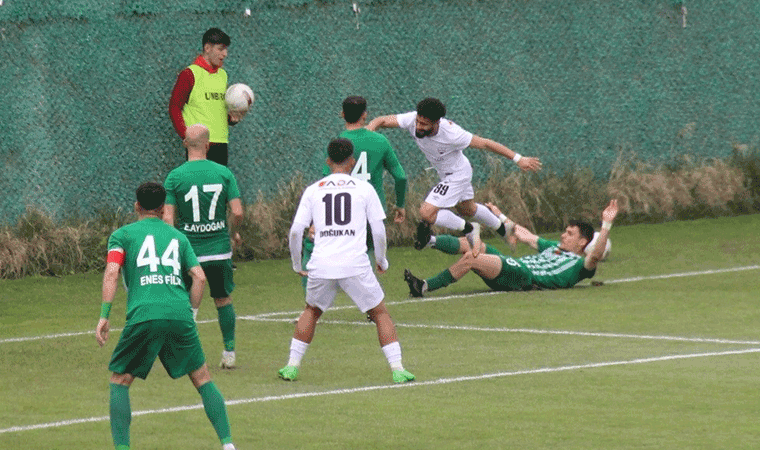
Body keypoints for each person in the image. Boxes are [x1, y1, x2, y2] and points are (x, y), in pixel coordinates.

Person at [96, 182, 236, 450]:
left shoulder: (122, 236)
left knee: (120, 380)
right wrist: (191, 313)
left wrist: (104, 315)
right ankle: (228, 444)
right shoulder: (178, 237)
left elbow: (112, 272)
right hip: (179, 313)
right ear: (162, 209)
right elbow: (199, 277)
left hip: (144, 314)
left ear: (136, 206)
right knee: (202, 378)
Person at [280, 138, 415, 384]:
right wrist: (382, 260)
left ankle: (291, 367)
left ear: (328, 161)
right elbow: (379, 230)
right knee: (380, 313)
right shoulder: (364, 189)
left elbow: (296, 231)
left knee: (311, 311)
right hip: (355, 263)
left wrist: (297, 265)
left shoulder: (313, 189)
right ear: (352, 162)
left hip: (321, 263)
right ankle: (397, 369)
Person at [367, 98, 542, 257]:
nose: (418, 127)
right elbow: (382, 120)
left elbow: (486, 143)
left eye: (424, 124)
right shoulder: (412, 120)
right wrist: (370, 128)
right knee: (468, 209)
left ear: (436, 123)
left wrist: (518, 158)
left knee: (426, 213)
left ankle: (470, 228)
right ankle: (505, 230)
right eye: (418, 121)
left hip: (457, 175)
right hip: (452, 172)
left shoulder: (452, 133)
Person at [403, 200, 618, 296]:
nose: (563, 235)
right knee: (476, 245)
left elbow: (595, 256)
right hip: (515, 266)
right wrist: (500, 216)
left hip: (525, 277)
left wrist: (606, 224)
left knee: (473, 256)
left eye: (570, 234)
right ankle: (429, 240)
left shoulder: (581, 265)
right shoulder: (554, 247)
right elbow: (526, 235)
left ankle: (423, 286)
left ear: (583, 243)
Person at [163, 124, 243, 369]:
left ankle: (183, 353)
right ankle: (229, 352)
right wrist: (232, 232)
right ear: (208, 145)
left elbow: (167, 218)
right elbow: (237, 211)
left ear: (185, 144)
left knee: (183, 302)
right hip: (219, 248)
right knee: (223, 299)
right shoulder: (224, 173)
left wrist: (177, 244)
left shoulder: (175, 176)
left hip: (189, 252)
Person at [169, 28, 245, 166]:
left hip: (221, 144)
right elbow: (174, 107)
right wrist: (188, 138)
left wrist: (232, 118)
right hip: (198, 146)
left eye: (226, 50)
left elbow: (215, 109)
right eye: (221, 49)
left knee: (219, 186)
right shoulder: (189, 74)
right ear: (207, 48)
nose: (225, 54)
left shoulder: (223, 75)